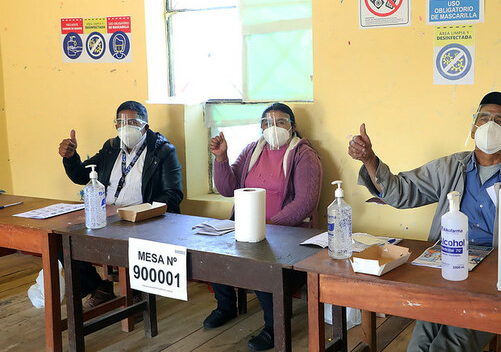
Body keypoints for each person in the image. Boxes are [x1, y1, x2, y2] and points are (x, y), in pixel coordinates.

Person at [348, 92, 501, 352]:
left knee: (448, 346)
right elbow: (402, 192)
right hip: (444, 270)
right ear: (473, 129)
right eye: (483, 118)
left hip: (490, 283)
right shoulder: (450, 168)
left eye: (500, 120)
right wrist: (369, 159)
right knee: (418, 346)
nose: (490, 125)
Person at [204, 102, 322, 351]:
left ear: (293, 126)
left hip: (288, 235)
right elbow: (228, 189)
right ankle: (226, 306)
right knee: (212, 251)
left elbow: (306, 203)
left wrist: (267, 224)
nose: (273, 127)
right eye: (267, 123)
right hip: (247, 229)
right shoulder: (252, 150)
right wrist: (221, 158)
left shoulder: (304, 155)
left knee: (263, 262)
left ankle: (274, 325)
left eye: (280, 122)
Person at [58, 100, 183, 309]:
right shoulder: (111, 148)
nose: (126, 126)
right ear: (115, 126)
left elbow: (173, 195)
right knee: (63, 241)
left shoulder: (163, 151)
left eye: (133, 121)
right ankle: (98, 287)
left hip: (141, 218)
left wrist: (141, 213)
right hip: (107, 214)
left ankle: (136, 290)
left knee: (126, 240)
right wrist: (71, 158)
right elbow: (83, 175)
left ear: (145, 125)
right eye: (121, 122)